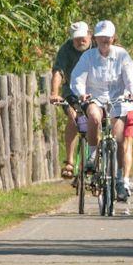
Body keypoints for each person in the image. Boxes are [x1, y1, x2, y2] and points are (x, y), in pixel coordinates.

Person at [69, 20, 133, 199]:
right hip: (95, 98)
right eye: (101, 37)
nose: (104, 40)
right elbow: (78, 77)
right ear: (95, 38)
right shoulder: (88, 57)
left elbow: (131, 76)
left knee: (118, 138)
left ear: (113, 38)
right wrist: (81, 93)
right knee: (94, 117)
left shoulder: (122, 55)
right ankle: (93, 153)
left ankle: (119, 179)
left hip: (118, 99)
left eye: (107, 37)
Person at [49, 21, 92, 179]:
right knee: (74, 118)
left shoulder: (97, 47)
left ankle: (96, 157)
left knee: (96, 120)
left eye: (83, 37)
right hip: (72, 92)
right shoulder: (66, 49)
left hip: (94, 91)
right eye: (77, 38)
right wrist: (54, 92)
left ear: (90, 35)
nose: (81, 41)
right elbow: (58, 71)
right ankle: (70, 161)